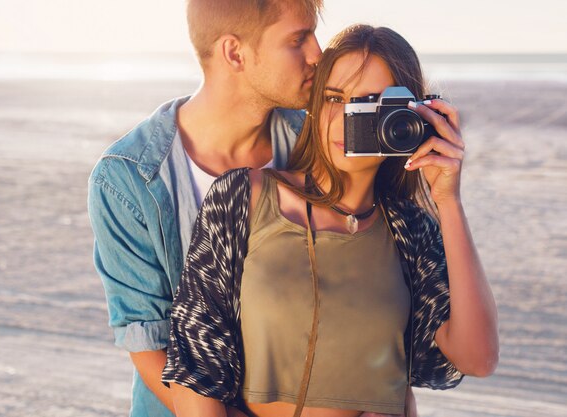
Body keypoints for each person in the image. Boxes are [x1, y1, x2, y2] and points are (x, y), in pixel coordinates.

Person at [162, 24, 500, 417]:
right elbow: (193, 367)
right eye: (335, 97)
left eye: (371, 103)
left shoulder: (410, 232)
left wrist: (448, 200)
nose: (345, 118)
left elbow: (478, 359)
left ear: (407, 118)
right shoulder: (244, 198)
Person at [87, 1, 324, 416]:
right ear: (234, 53)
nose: (317, 54)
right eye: (297, 39)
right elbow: (149, 342)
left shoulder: (319, 143)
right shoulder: (128, 179)